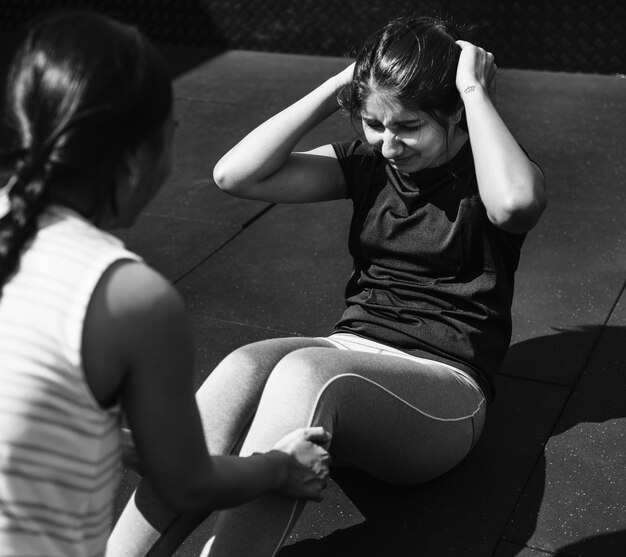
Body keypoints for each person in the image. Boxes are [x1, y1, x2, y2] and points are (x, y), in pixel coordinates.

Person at [109, 14, 546, 556]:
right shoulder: (367, 166)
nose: (389, 144)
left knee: (306, 372)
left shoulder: (492, 174)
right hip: (349, 359)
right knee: (245, 364)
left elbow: (517, 205)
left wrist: (474, 87)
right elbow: (234, 176)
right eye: (374, 123)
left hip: (442, 392)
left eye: (409, 126)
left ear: (456, 113)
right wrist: (342, 85)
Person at [0, 10, 331, 557]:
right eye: (171, 136)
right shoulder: (129, 298)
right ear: (136, 157)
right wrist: (277, 466)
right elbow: (188, 485)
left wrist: (119, 441)